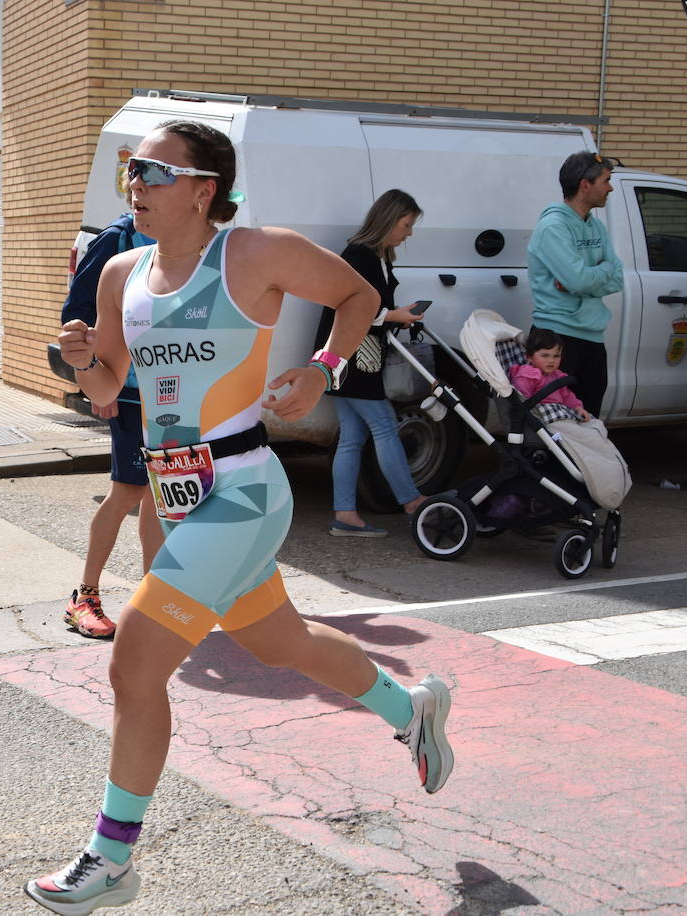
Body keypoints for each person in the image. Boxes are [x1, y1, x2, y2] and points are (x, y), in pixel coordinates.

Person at [34, 122, 455, 915]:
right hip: (174, 492)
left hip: (245, 487)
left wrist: (324, 371)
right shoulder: (121, 270)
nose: (136, 184)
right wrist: (84, 355)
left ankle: (112, 858)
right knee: (281, 643)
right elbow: (107, 391)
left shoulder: (255, 253)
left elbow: (360, 294)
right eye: (132, 170)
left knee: (134, 664)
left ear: (205, 187)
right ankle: (414, 709)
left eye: (155, 171)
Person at [59, 212, 164, 638]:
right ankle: (84, 597)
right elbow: (77, 314)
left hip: (172, 393)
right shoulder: (118, 239)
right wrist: (98, 381)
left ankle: (151, 601)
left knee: (160, 494)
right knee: (126, 493)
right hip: (128, 388)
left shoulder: (193, 241)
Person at [315, 189, 428, 537]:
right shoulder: (361, 254)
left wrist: (397, 315)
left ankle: (345, 514)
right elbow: (348, 305)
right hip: (352, 356)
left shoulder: (373, 254)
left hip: (345, 356)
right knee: (383, 426)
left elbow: (367, 309)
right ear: (390, 220)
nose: (409, 233)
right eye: (407, 225)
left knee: (353, 436)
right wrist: (394, 314)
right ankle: (412, 501)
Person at [527, 150, 623, 417]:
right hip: (557, 340)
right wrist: (586, 277)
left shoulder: (595, 226)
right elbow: (579, 279)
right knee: (558, 430)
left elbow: (617, 277)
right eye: (606, 180)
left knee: (588, 423)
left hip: (592, 337)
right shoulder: (553, 227)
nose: (610, 187)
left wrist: (584, 279)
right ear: (585, 185)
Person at [509, 327, 592, 421]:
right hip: (542, 418)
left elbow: (567, 396)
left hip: (560, 413)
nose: (551, 361)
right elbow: (521, 400)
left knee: (596, 425)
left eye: (556, 356)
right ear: (529, 357)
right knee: (582, 434)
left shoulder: (556, 375)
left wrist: (577, 407)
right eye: (545, 355)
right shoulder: (527, 375)